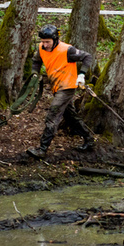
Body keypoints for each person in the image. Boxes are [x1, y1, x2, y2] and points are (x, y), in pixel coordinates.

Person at [27, 25, 96, 159]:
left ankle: (42, 149)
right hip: (56, 86)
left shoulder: (67, 50)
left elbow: (87, 57)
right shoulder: (41, 49)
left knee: (52, 116)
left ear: (55, 39)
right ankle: (89, 139)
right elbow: (36, 62)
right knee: (70, 116)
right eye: (42, 41)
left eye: (47, 42)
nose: (45, 44)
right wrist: (35, 74)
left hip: (67, 86)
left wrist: (82, 74)